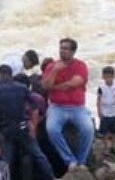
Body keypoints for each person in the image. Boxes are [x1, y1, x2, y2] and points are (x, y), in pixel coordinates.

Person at [0, 64, 53, 180]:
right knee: (38, 155)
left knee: (6, 160)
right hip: (23, 127)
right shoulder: (22, 88)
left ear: (1, 75)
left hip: (5, 130)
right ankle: (51, 177)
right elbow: (35, 107)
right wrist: (32, 126)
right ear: (10, 75)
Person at [41, 38, 92, 173]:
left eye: (66, 48)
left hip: (77, 108)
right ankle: (70, 161)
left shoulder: (80, 65)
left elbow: (75, 83)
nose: (62, 51)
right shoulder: (52, 66)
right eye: (61, 48)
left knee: (88, 129)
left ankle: (81, 162)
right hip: (57, 107)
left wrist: (55, 86)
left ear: (73, 51)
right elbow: (45, 86)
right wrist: (54, 71)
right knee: (51, 129)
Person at [97, 65, 115, 160]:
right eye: (105, 77)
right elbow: (99, 100)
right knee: (104, 133)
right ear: (103, 77)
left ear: (113, 76)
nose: (107, 79)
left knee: (113, 133)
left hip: (114, 113)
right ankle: (107, 149)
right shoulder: (101, 87)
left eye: (109, 77)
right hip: (105, 114)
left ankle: (111, 147)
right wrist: (99, 111)